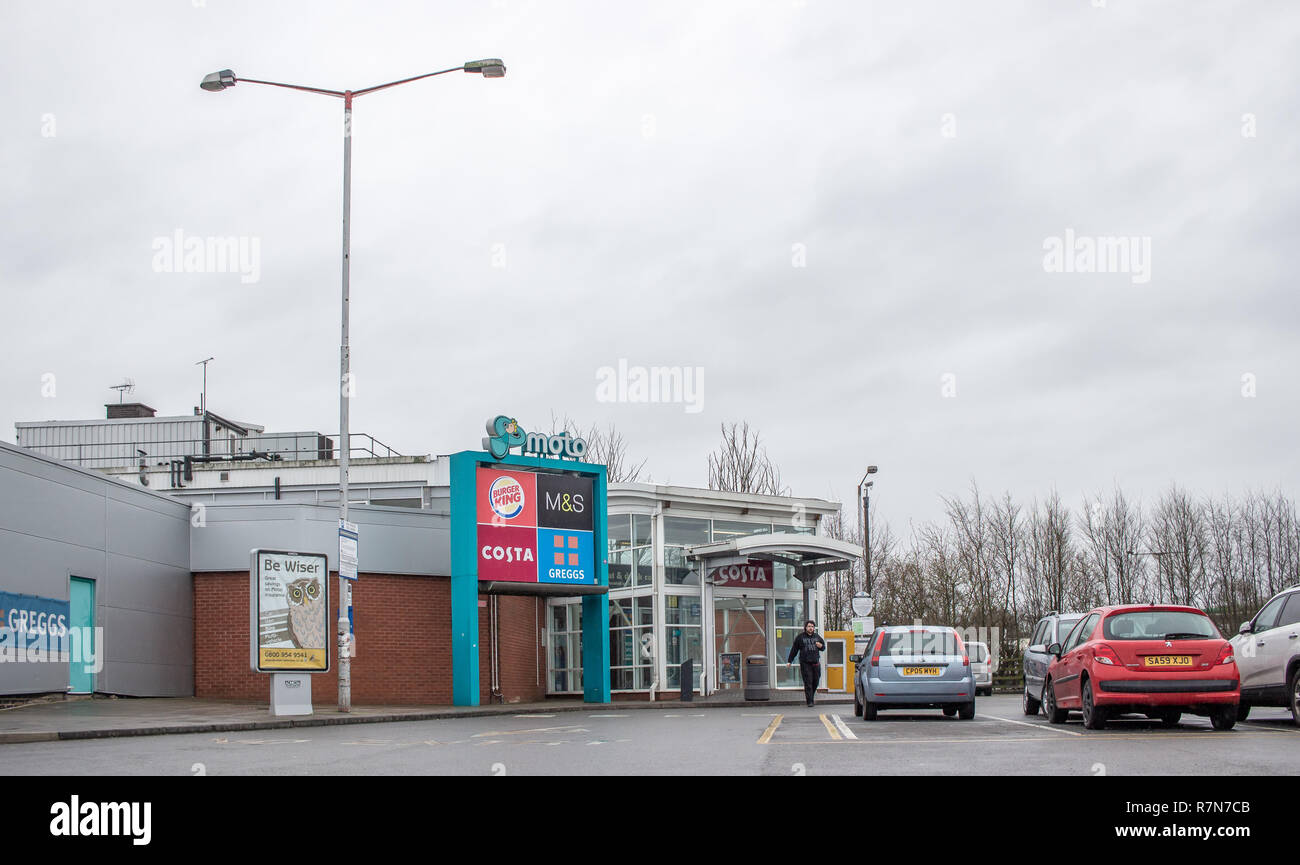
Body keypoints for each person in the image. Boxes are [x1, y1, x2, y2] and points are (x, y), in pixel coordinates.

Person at [786, 620, 826, 707]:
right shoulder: (800, 637)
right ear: (805, 627)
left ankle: (811, 695)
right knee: (808, 682)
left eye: (812, 626)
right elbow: (794, 650)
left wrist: (821, 646)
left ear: (814, 628)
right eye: (809, 626)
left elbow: (823, 647)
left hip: (815, 663)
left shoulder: (817, 637)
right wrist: (789, 661)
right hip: (805, 663)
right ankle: (810, 701)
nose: (810, 628)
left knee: (816, 681)